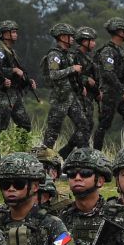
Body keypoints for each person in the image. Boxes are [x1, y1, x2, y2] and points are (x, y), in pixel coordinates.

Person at [41, 23, 92, 157]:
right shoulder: (54, 55)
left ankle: (84, 157)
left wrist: (81, 86)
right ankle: (43, 161)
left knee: (84, 125)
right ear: (62, 37)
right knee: (52, 131)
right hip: (60, 98)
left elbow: (74, 77)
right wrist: (72, 69)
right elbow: (54, 74)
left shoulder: (68, 54)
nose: (73, 39)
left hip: (71, 97)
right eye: (70, 37)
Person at [94, 17, 124, 149]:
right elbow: (108, 74)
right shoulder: (107, 51)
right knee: (104, 124)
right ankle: (95, 153)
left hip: (120, 93)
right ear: (119, 32)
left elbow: (121, 71)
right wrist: (123, 91)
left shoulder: (119, 50)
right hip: (110, 93)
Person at [0, 20, 37, 137]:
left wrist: (27, 81)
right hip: (3, 93)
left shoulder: (11, 51)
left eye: (16, 32)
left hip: (14, 93)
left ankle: (21, 152)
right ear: (5, 34)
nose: (15, 35)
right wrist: (13, 70)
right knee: (0, 127)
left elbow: (19, 71)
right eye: (13, 32)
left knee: (25, 125)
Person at [73, 26, 101, 148]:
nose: (94, 43)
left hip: (89, 97)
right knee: (84, 125)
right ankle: (82, 151)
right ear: (84, 41)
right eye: (92, 40)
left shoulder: (89, 58)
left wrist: (97, 92)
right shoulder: (75, 56)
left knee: (88, 124)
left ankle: (68, 151)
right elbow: (72, 74)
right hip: (79, 95)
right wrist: (85, 80)